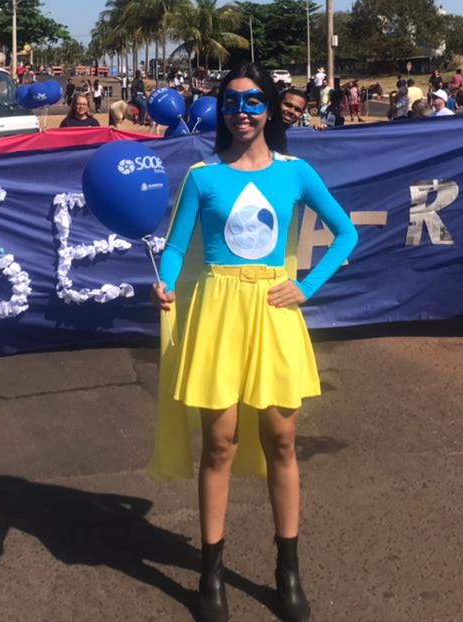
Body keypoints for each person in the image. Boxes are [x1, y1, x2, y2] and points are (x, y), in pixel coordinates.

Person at [150, 63, 357, 622]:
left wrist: (306, 286)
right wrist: (166, 283)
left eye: (252, 102)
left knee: (281, 438)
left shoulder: (295, 172)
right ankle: (211, 573)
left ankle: (286, 568)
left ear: (269, 108)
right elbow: (175, 246)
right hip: (217, 309)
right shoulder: (202, 175)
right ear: (220, 109)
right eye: (231, 102)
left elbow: (346, 233)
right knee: (219, 442)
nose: (242, 112)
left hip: (272, 309)